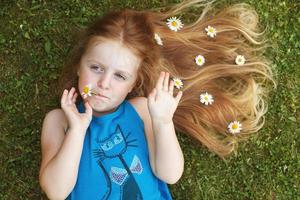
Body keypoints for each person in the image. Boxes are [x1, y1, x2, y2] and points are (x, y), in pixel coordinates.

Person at [39, 0, 276, 199]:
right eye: (96, 68)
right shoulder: (60, 121)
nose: (104, 83)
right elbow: (56, 191)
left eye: (120, 75)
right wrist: (78, 131)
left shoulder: (141, 110)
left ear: (133, 83)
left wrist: (163, 123)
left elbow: (170, 174)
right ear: (79, 66)